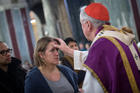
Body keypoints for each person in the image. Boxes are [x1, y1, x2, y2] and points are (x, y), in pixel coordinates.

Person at [54, 3, 140, 93]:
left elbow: (92, 88)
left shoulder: (100, 45)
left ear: (88, 25)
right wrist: (67, 51)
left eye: (81, 24)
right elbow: (96, 57)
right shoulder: (118, 35)